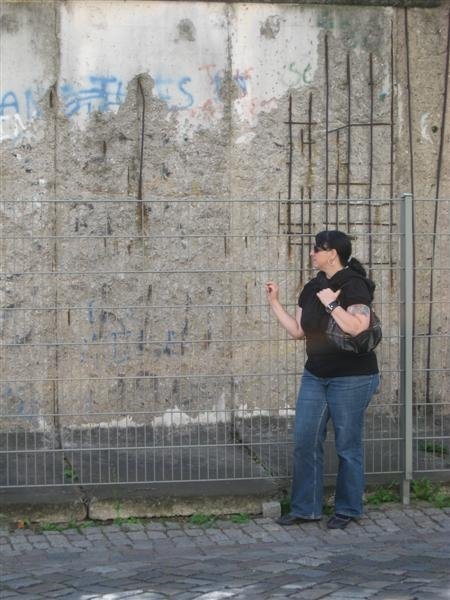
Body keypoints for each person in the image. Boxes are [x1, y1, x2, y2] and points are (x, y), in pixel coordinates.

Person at [266, 230, 380, 530]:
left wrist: (332, 304)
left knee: (347, 444)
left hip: (353, 377)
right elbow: (298, 331)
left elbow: (357, 327)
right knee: (305, 440)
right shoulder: (312, 287)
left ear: (334, 254)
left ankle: (348, 509)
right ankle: (305, 508)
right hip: (316, 374)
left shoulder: (354, 285)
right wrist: (275, 302)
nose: (313, 252)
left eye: (319, 248)